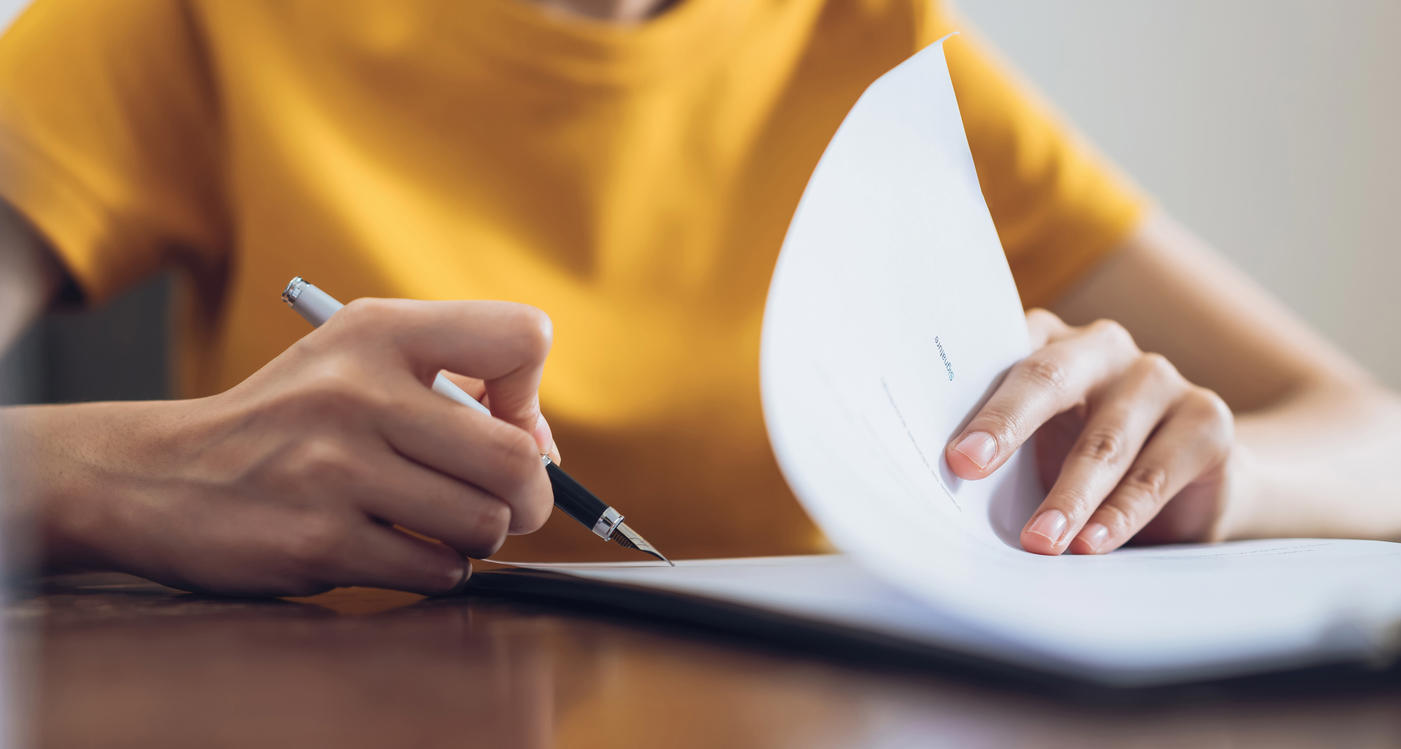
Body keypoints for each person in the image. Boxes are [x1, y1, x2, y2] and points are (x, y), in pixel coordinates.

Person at [0, 0, 1397, 597]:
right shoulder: (197, 16)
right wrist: (130, 476)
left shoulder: (865, 44)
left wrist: (1205, 475)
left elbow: (1372, 434)